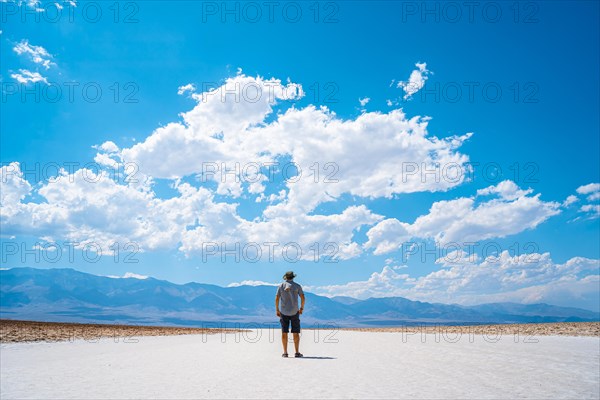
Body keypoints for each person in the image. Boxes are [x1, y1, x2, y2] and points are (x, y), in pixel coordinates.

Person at [275, 271, 305, 358]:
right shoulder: (297, 286)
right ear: (293, 277)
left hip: (284, 312)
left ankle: (285, 352)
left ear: (286, 277)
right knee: (295, 332)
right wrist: (301, 308)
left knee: (284, 332)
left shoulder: (281, 286)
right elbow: (303, 297)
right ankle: (297, 352)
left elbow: (277, 298)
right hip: (295, 311)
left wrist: (277, 309)